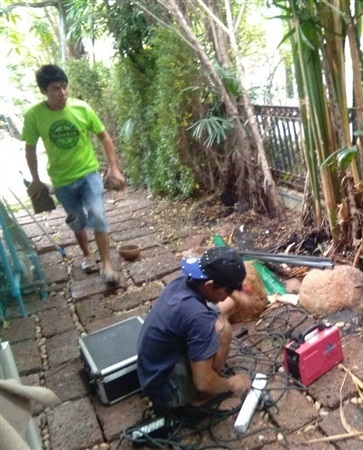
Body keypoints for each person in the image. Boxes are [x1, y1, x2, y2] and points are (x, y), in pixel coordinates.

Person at [21, 64, 125, 284]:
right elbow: (30, 147)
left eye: (64, 87)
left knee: (97, 214)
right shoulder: (34, 116)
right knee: (76, 219)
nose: (63, 93)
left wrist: (113, 167)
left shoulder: (82, 108)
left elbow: (104, 136)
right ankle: (88, 255)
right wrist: (37, 179)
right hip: (61, 180)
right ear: (44, 91)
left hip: (88, 173)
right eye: (56, 89)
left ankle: (106, 265)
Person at [137, 246, 252, 414]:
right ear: (210, 285)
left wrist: (234, 292)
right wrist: (232, 383)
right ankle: (200, 398)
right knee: (223, 330)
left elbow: (230, 299)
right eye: (228, 290)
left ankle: (202, 361)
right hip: (166, 390)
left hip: (150, 370)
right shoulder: (198, 317)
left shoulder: (188, 278)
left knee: (222, 310)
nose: (229, 295)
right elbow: (203, 381)